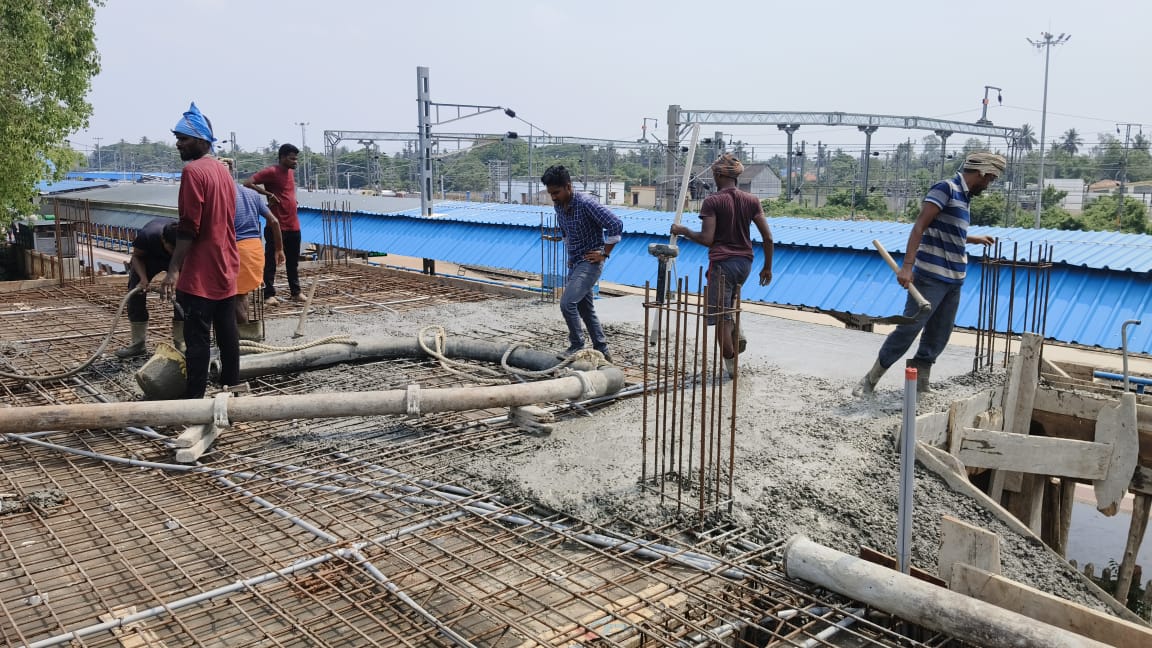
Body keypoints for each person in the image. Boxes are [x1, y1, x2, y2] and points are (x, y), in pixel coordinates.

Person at [854, 151, 1004, 396]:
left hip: (954, 278)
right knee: (909, 328)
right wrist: (907, 267)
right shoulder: (946, 188)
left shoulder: (964, 197)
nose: (988, 185)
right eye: (990, 179)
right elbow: (920, 226)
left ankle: (920, 383)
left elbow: (947, 231)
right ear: (982, 172)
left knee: (939, 333)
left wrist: (972, 239)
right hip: (931, 276)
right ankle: (869, 380)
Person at [160, 102, 241, 400]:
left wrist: (173, 269)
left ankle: (193, 401)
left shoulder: (193, 172)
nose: (178, 144)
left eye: (183, 138)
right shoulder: (222, 172)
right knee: (228, 332)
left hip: (201, 273)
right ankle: (232, 388)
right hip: (226, 265)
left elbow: (189, 225)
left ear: (201, 140)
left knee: (197, 340)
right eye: (178, 138)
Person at [670, 153, 774, 378]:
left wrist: (684, 231)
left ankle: (731, 366)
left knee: (720, 318)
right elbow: (768, 238)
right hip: (745, 264)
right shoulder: (752, 200)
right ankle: (737, 330)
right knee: (729, 306)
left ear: (718, 175)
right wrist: (767, 267)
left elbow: (707, 239)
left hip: (722, 265)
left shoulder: (713, 201)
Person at [541, 165, 624, 363]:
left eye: (556, 192)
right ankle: (602, 350)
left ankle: (577, 344)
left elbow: (616, 224)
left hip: (589, 262)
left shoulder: (587, 204)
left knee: (567, 303)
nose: (553, 197)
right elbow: (566, 231)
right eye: (550, 193)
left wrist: (604, 253)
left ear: (568, 186)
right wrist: (570, 254)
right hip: (576, 262)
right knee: (586, 309)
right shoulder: (559, 206)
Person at [222, 158, 284, 337]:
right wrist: (279, 249)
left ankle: (246, 338)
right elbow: (274, 221)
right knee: (243, 294)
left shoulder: (221, 195)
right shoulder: (252, 194)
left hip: (236, 249)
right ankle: (246, 333)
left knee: (235, 297)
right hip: (254, 248)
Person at [114, 217, 181, 358]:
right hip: (149, 259)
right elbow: (136, 257)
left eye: (177, 249)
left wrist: (174, 275)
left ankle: (181, 344)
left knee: (184, 296)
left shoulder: (185, 240)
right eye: (171, 248)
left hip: (179, 263)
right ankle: (138, 345)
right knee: (136, 293)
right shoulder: (147, 236)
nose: (173, 252)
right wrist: (143, 279)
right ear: (163, 240)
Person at [245, 144, 301, 306]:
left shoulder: (290, 173)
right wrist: (268, 194)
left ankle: (296, 292)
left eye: (296, 158)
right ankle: (268, 294)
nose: (295, 161)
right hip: (276, 226)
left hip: (293, 224)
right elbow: (248, 183)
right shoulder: (271, 172)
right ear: (282, 157)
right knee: (271, 261)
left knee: (293, 261)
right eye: (291, 158)